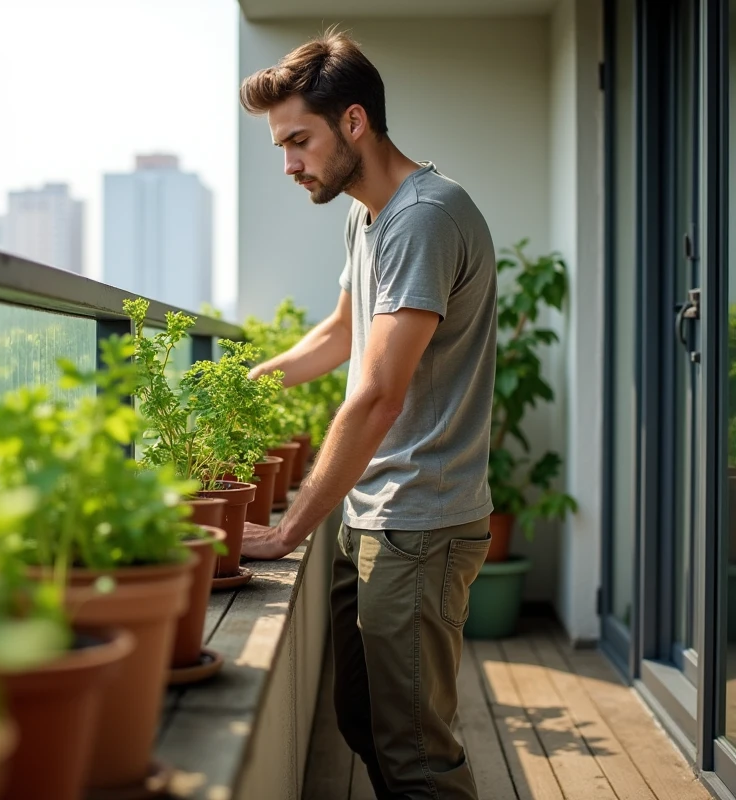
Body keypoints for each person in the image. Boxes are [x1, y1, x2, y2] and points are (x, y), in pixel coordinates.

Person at [237, 29, 497, 800]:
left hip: (419, 524)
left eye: (298, 141)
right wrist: (254, 381)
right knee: (361, 719)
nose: (287, 164)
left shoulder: (425, 217)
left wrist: (289, 528)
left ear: (354, 123)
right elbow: (341, 332)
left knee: (418, 758)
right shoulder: (367, 215)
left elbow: (379, 393)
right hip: (374, 513)